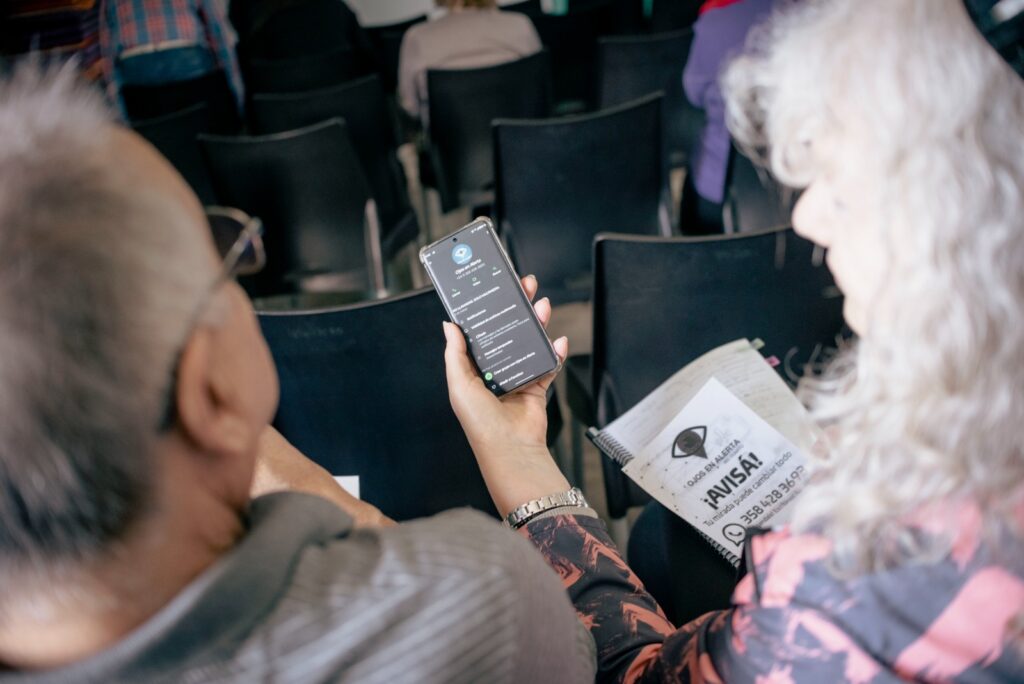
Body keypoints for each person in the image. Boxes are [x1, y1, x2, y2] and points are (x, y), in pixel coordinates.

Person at [444, 0, 1024, 680]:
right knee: (663, 538)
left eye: (844, 187)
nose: (806, 216)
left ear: (956, 214)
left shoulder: (839, 588)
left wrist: (515, 455)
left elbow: (635, 672)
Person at [0, 64, 595, 683]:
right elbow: (584, 652)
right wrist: (515, 459)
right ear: (208, 391)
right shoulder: (478, 600)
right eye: (225, 256)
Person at [682, 0, 774, 233]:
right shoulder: (809, 16)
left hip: (718, 191)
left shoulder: (712, 23)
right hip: (793, 181)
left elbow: (694, 95)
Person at [398, 0, 541, 128]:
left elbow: (411, 107)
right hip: (523, 146)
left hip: (451, 152)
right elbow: (540, 91)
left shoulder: (418, 39)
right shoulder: (520, 25)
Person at [99, 0, 245, 120]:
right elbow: (220, 35)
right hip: (187, 60)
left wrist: (121, 115)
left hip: (137, 70)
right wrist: (237, 93)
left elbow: (107, 54)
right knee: (214, 87)